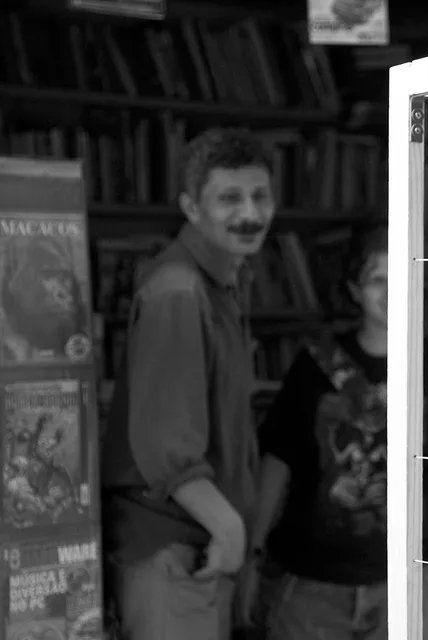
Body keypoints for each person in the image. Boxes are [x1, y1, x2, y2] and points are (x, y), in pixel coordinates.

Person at [239, 225, 428, 640]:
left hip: (414, 579)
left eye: (401, 275)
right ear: (355, 289)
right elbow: (276, 463)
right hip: (315, 585)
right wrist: (252, 551)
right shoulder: (313, 367)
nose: (390, 290)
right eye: (377, 279)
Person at [100, 128, 275, 640]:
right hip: (172, 550)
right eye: (229, 198)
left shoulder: (218, 285)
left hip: (193, 546)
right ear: (190, 207)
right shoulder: (179, 290)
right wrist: (230, 527)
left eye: (260, 195)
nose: (250, 213)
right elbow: (164, 444)